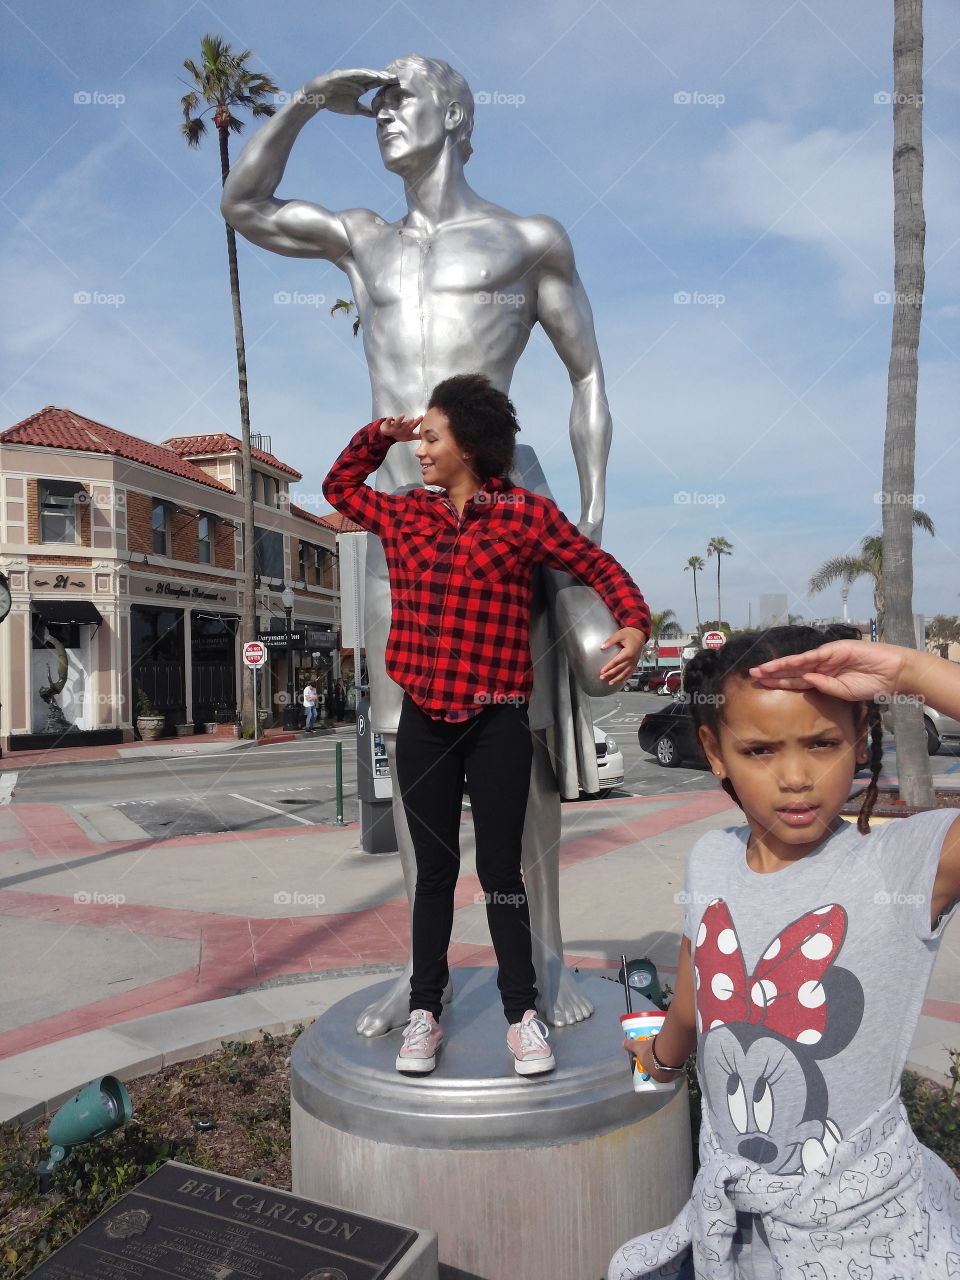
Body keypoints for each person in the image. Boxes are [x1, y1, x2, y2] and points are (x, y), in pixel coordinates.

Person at [222, 53, 624, 1034]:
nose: (384, 115)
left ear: (453, 110)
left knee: (516, 746)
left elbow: (586, 374)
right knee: (411, 752)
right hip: (395, 526)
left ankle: (550, 958)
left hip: (499, 522)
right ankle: (424, 981)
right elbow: (245, 203)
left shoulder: (528, 240)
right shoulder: (363, 241)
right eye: (377, 103)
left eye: (401, 97)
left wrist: (593, 510)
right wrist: (312, 100)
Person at [609, 626, 960, 1280]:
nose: (795, 777)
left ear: (859, 738)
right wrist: (660, 1060)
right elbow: (702, 980)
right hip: (732, 1236)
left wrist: (908, 670)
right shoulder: (710, 857)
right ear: (714, 751)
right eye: (760, 749)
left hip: (866, 1241)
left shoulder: (903, 868)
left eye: (823, 744)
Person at [323, 374, 650, 1076]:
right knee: (434, 872)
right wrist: (380, 435)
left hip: (499, 722)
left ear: (469, 446)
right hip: (425, 724)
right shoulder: (406, 513)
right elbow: (339, 490)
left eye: (432, 436)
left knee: (503, 871)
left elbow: (595, 563)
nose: (420, 450)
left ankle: (521, 1016)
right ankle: (424, 1013)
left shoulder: (525, 517)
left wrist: (634, 623)